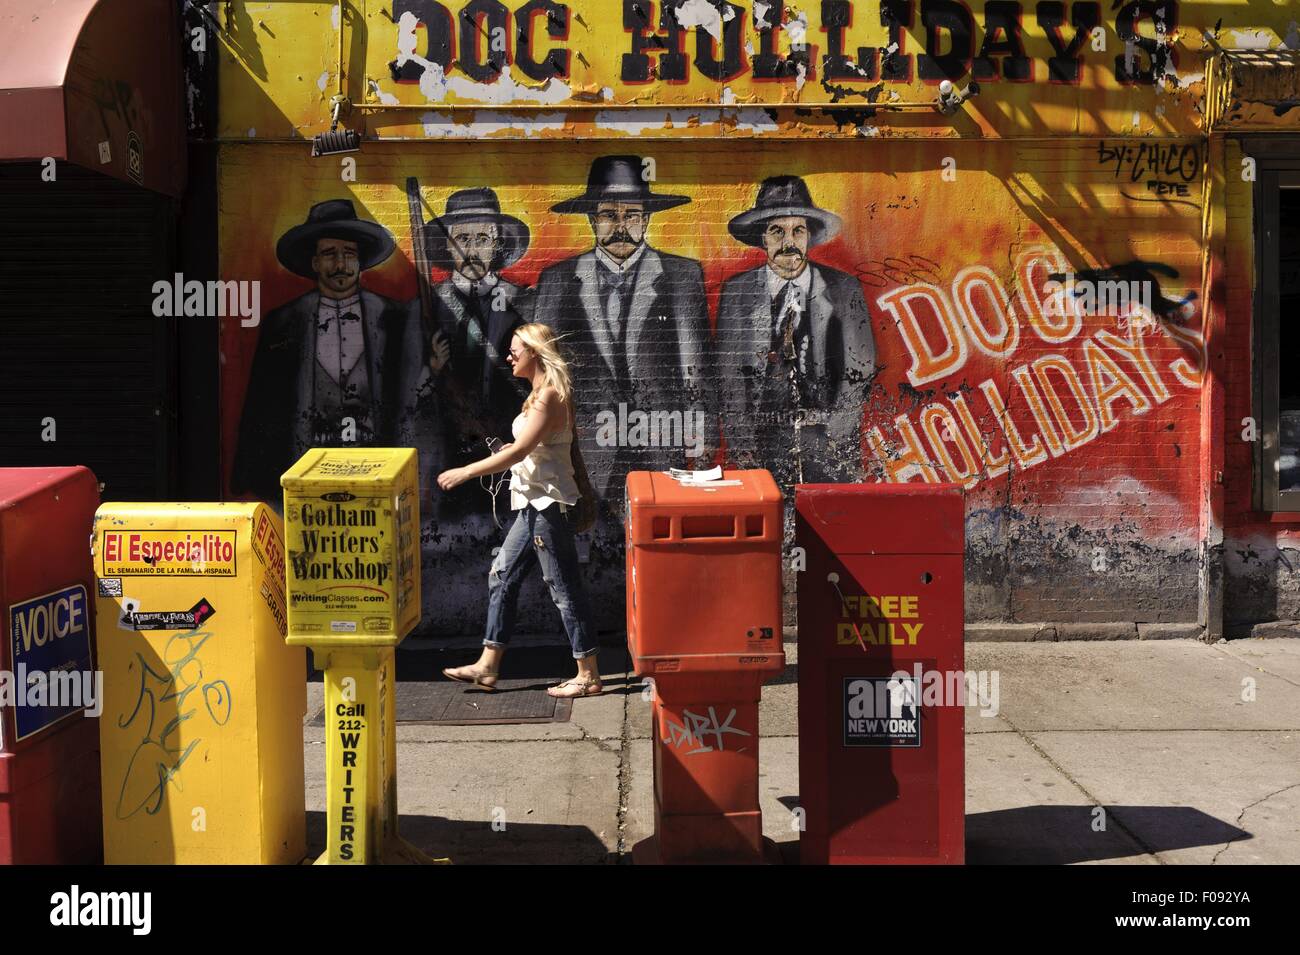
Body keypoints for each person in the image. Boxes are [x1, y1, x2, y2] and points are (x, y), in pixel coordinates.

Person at [531, 155, 711, 515]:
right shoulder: (558, 279)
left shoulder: (682, 275)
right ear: (591, 219)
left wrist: (699, 438)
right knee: (590, 535)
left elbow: (696, 366)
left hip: (661, 433)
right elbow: (542, 366)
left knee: (658, 531)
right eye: (609, 215)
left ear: (646, 220)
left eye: (631, 215)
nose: (621, 225)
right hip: (587, 439)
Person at [436, 323, 600, 698]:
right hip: (532, 504)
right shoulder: (539, 394)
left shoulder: (550, 397)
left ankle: (588, 674)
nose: (509, 357)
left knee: (562, 587)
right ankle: (488, 666)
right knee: (502, 575)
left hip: (547, 507)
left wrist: (466, 470)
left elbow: (520, 451)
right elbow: (526, 451)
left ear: (535, 354)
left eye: (515, 351)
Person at [231, 199, 424, 503]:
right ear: (314, 263)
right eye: (329, 254)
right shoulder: (283, 322)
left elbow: (409, 393)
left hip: (377, 466)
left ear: (361, 261)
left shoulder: (393, 317)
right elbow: (261, 400)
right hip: (304, 464)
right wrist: (249, 474)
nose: (340, 265)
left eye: (349, 254)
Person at [714, 175, 876, 487]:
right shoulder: (737, 292)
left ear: (809, 236)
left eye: (797, 230)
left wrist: (838, 436)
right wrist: (741, 443)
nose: (789, 242)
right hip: (762, 442)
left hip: (828, 440)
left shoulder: (843, 289)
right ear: (763, 238)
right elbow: (728, 374)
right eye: (777, 231)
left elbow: (861, 367)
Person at [422, 187, 532, 518]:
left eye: (482, 238)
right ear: (446, 245)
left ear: (497, 245)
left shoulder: (523, 300)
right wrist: (431, 369)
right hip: (448, 448)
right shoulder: (425, 305)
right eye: (462, 240)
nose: (472, 250)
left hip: (506, 445)